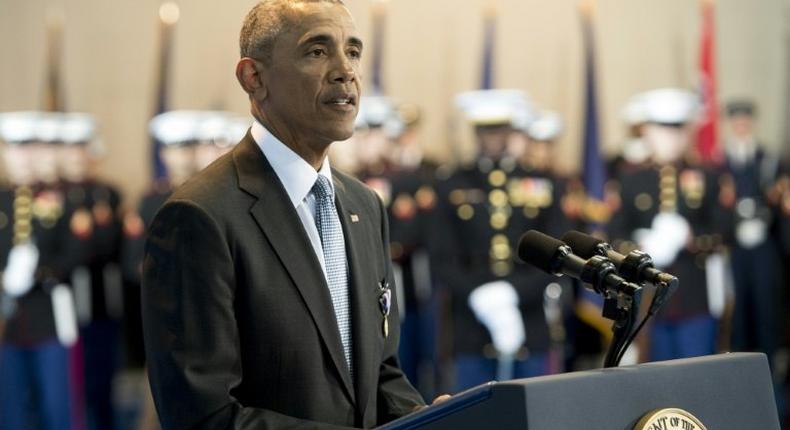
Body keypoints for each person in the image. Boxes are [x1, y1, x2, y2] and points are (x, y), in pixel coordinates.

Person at [141, 1, 429, 428]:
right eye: (317, 51)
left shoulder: (364, 206)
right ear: (253, 78)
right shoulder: (200, 216)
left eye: (352, 51)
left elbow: (381, 373)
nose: (345, 70)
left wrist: (424, 418)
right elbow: (204, 416)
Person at [430, 89, 558, 391]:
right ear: (475, 132)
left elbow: (556, 252)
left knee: (534, 413)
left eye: (499, 129)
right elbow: (440, 256)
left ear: (511, 130)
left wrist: (513, 293)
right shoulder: (451, 183)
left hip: (529, 317)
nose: (492, 137)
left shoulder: (542, 182)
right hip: (471, 320)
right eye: (485, 129)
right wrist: (479, 296)